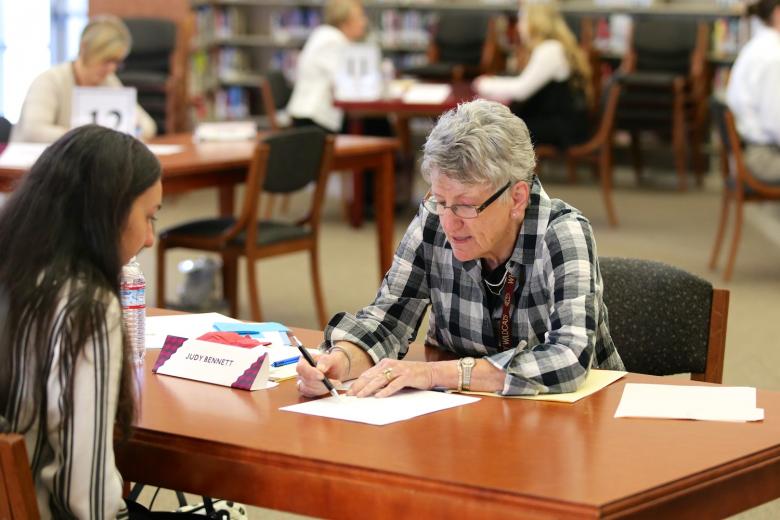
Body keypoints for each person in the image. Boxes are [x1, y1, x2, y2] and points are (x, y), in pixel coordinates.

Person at [297, 99, 623, 399]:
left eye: (467, 206)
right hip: (465, 413)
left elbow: (570, 358)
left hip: (572, 419)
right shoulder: (434, 218)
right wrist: (340, 360)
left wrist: (435, 373)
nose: (450, 224)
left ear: (517, 198)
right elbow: (387, 321)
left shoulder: (563, 234)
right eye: (441, 201)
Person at [0, 125, 173, 518]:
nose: (149, 238)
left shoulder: (14, 268)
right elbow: (87, 493)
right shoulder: (87, 306)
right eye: (148, 217)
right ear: (104, 214)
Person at [11, 15, 157, 143]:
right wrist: (87, 138)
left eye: (117, 62)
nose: (111, 69)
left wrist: (134, 130)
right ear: (84, 48)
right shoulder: (50, 81)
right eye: (106, 60)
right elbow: (33, 131)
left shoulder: (109, 82)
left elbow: (148, 125)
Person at [472, 1, 592, 149]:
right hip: (559, 121)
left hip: (563, 127)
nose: (518, 26)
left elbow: (521, 90)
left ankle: (503, 172)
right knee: (503, 124)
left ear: (535, 22)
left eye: (522, 19)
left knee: (498, 128)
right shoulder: (553, 46)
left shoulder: (550, 49)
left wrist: (485, 84)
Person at [287, 0, 368, 132]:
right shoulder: (332, 40)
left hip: (312, 117)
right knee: (377, 128)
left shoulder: (327, 35)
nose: (364, 22)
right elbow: (348, 83)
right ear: (345, 21)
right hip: (313, 120)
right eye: (360, 17)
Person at [726, 0, 780, 182]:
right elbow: (775, 123)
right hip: (765, 156)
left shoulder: (759, 45)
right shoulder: (774, 57)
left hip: (751, 150)